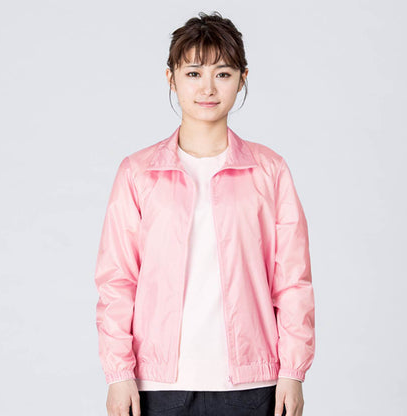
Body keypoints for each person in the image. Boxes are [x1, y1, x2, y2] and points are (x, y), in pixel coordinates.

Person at [94, 11, 315, 416]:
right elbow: (117, 281)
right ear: (171, 79)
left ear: (243, 78)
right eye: (194, 73)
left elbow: (292, 280)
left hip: (252, 385)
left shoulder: (269, 170)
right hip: (157, 386)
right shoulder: (138, 173)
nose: (208, 88)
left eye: (223, 73)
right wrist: (118, 373)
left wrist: (293, 372)